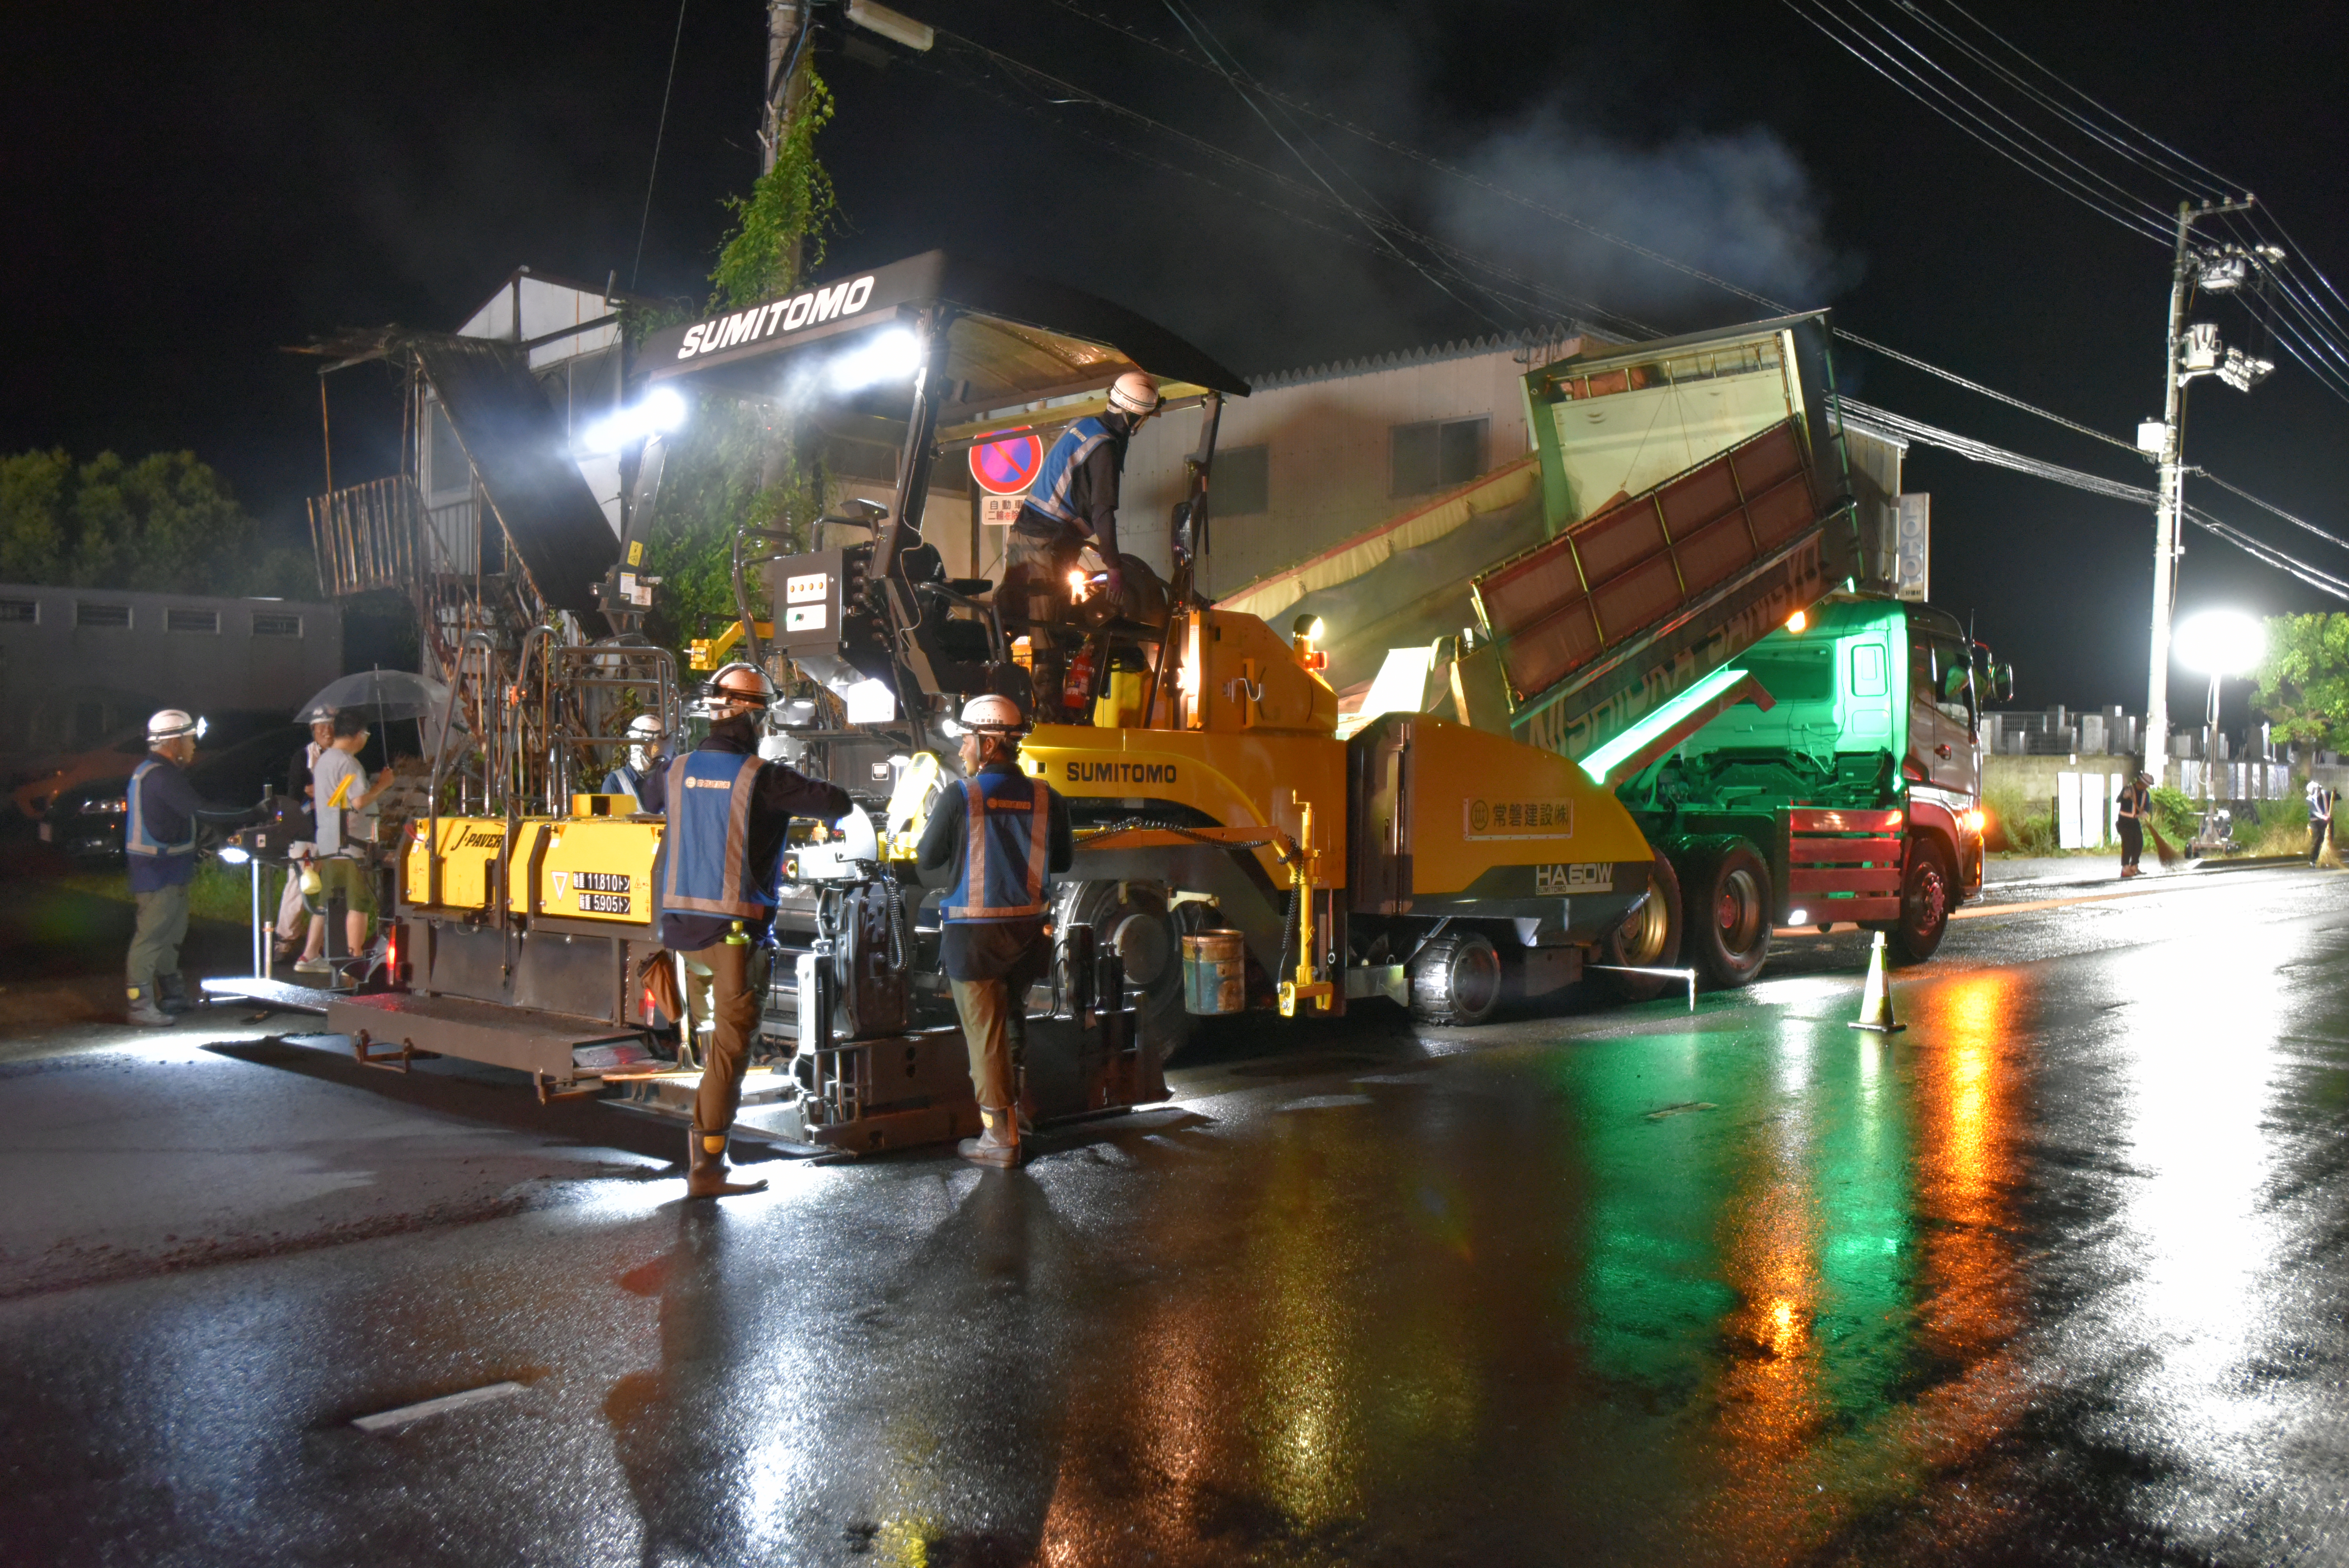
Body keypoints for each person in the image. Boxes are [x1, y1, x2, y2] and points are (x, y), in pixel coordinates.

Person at [656, 661, 852, 1198]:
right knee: (730, 1051)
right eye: (763, 713)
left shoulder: (674, 770)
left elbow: (651, 800)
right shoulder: (761, 777)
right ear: (749, 715)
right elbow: (836, 802)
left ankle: (705, 1150)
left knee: (708, 1042)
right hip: (734, 938)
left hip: (681, 936)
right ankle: (708, 1167)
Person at [916, 693, 1074, 1169]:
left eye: (967, 738)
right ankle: (1018, 1117)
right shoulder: (1048, 796)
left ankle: (999, 1139)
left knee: (985, 1036)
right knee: (1010, 1024)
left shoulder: (961, 795)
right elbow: (1062, 861)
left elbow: (927, 860)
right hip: (1027, 936)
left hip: (974, 938)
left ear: (987, 743)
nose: (963, 747)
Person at [1000, 370, 1161, 718]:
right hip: (1047, 544)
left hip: (1026, 537)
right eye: (1143, 418)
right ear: (1133, 416)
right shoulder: (1104, 448)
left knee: (1010, 618)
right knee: (1048, 635)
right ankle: (1047, 720)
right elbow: (1103, 511)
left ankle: (999, 699)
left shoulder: (1085, 425)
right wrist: (1114, 566)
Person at [123, 710, 259, 1026]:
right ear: (174, 741)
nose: (194, 746)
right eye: (190, 739)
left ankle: (173, 997)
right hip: (159, 873)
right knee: (152, 938)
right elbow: (200, 809)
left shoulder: (156, 772)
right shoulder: (162, 775)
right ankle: (140, 1005)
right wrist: (250, 813)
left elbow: (184, 817)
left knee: (170, 936)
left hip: (168, 869)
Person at [296, 711, 399, 974]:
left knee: (329, 903)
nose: (366, 739)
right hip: (352, 845)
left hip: (329, 842)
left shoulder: (325, 760)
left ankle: (318, 957)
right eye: (366, 735)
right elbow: (358, 802)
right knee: (358, 904)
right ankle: (353, 964)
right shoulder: (350, 764)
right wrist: (383, 785)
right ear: (357, 735)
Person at [273, 714, 335, 966]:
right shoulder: (303, 757)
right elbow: (296, 793)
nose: (327, 731)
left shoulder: (343, 757)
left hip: (334, 831)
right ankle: (284, 940)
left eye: (331, 726)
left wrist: (319, 788)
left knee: (329, 890)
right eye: (322, 727)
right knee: (299, 886)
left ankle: (316, 948)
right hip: (307, 832)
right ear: (313, 730)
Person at [602, 713, 670, 813]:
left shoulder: (668, 779)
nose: (641, 750)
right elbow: (607, 825)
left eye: (650, 744)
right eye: (639, 744)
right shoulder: (616, 782)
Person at [2115, 770, 2151, 878]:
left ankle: (2134, 866)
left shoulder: (2146, 794)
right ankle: (2125, 868)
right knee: (2128, 844)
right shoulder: (2128, 789)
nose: (2147, 787)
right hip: (2124, 820)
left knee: (2139, 842)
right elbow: (2118, 800)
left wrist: (2145, 812)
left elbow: (2147, 807)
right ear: (2141, 783)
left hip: (2135, 821)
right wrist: (2124, 796)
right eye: (2147, 785)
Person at [2310, 780, 2335, 866]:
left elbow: (2336, 797)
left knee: (2329, 839)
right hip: (2316, 822)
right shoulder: (2310, 800)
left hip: (2327, 821)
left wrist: (2334, 795)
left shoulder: (2326, 794)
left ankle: (2327, 859)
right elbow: (2314, 812)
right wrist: (2324, 817)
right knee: (2317, 839)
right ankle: (2313, 860)